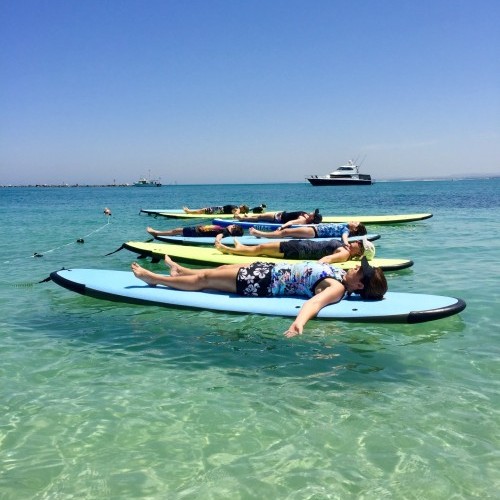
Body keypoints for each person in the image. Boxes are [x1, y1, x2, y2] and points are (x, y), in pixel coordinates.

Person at [131, 254, 387, 338]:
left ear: (360, 286)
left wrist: (299, 323)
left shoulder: (337, 288)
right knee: (217, 271)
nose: (356, 266)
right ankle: (180, 271)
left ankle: (154, 279)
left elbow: (315, 302)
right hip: (267, 269)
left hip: (262, 282)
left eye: (360, 271)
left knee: (205, 282)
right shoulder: (340, 274)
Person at [214, 235, 375, 263]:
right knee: (261, 248)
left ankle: (227, 249)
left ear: (359, 252)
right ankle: (241, 247)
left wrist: (316, 264)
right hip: (299, 246)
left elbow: (327, 259)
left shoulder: (344, 253)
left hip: (297, 250)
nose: (357, 242)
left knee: (261, 248)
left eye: (359, 244)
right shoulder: (346, 248)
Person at [249, 221, 367, 247]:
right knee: (286, 233)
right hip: (313, 229)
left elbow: (344, 238)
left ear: (355, 229)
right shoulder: (346, 225)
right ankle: (262, 234)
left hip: (313, 232)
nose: (353, 221)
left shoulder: (346, 230)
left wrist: (346, 244)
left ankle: (258, 233)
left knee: (285, 232)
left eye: (355, 223)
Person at [236, 208, 322, 227]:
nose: (314, 212)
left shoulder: (302, 220)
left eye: (314, 213)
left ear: (312, 218)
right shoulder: (306, 216)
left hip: (278, 218)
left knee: (260, 217)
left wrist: (283, 227)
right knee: (260, 216)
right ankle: (248, 216)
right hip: (280, 213)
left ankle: (242, 219)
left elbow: (291, 222)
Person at [146, 224, 244, 238]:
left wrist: (218, 242)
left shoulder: (225, 232)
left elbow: (220, 236)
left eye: (233, 225)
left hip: (195, 231)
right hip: (197, 231)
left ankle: (156, 233)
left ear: (233, 228)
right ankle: (158, 233)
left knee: (175, 230)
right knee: (176, 231)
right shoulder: (226, 231)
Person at [182, 204, 250, 215]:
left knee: (202, 211)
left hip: (219, 210)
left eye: (243, 206)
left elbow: (236, 214)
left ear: (243, 209)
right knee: (203, 210)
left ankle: (188, 211)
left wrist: (237, 212)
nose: (241, 205)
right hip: (219, 209)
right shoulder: (237, 208)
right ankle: (189, 211)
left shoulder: (238, 209)